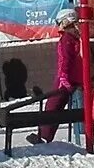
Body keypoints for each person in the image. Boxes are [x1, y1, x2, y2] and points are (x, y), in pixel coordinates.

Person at [35, 9, 84, 144]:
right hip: (77, 78)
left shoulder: (67, 39)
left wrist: (63, 77)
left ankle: (44, 136)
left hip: (67, 79)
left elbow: (65, 59)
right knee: (61, 107)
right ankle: (45, 135)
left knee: (52, 106)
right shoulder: (77, 38)